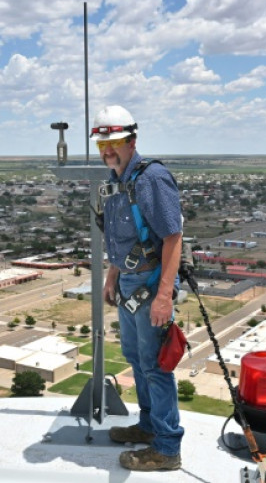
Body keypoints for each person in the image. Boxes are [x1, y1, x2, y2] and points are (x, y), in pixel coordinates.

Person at [92, 105, 184, 471]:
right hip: (128, 283)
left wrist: (164, 295)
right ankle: (148, 427)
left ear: (132, 141)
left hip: (149, 284)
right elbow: (121, 239)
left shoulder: (151, 179)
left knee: (155, 367)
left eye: (113, 142)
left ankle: (166, 448)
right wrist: (111, 277)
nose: (107, 150)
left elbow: (172, 238)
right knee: (135, 358)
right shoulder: (118, 180)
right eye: (102, 143)